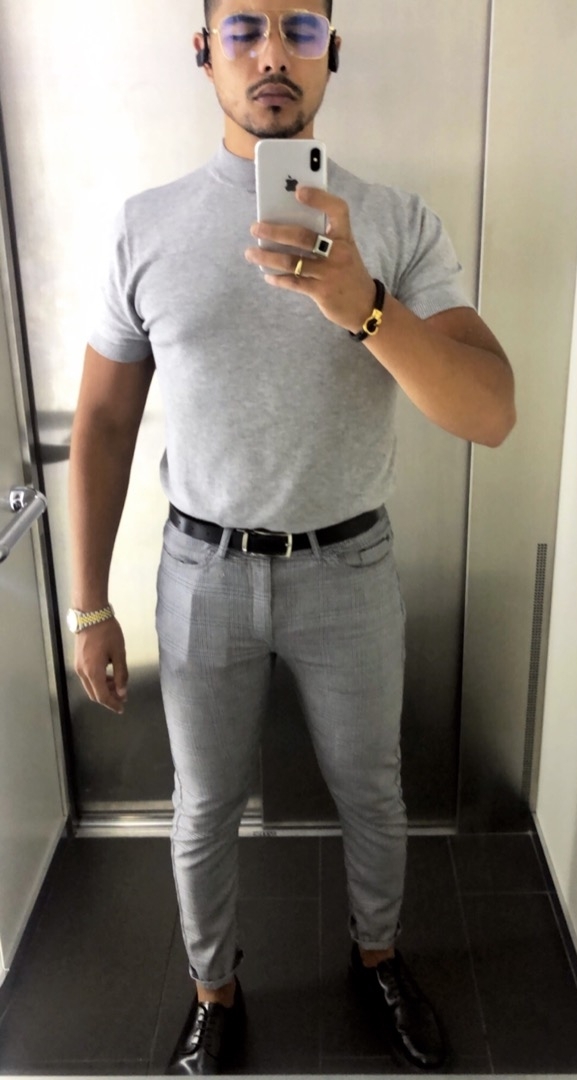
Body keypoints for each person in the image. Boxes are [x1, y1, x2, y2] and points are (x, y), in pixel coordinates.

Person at [68, 0, 516, 1073]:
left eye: (300, 29)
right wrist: (88, 603)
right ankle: (211, 992)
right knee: (203, 806)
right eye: (244, 29)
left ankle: (378, 957)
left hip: (349, 566)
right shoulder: (145, 225)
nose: (272, 53)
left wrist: (365, 305)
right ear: (204, 53)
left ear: (331, 53)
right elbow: (104, 424)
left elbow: (489, 411)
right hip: (200, 570)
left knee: (372, 791)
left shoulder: (394, 223)